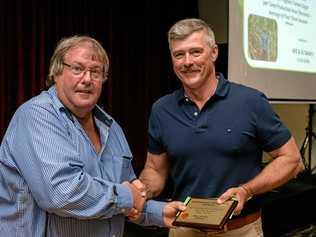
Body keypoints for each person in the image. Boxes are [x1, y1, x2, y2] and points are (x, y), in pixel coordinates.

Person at [0, 35, 185, 237]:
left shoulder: (111, 127)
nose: (87, 79)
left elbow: (130, 194)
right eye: (77, 69)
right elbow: (62, 193)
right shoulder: (36, 116)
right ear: (57, 72)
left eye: (95, 72)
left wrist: (158, 212)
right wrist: (128, 196)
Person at [139, 18, 304, 237]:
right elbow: (155, 170)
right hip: (183, 229)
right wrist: (139, 190)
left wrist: (247, 190)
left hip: (240, 230)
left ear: (214, 52)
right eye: (179, 54)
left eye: (196, 52)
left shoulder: (250, 102)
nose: (187, 61)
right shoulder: (162, 110)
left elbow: (292, 159)